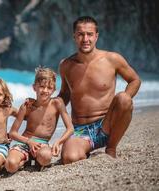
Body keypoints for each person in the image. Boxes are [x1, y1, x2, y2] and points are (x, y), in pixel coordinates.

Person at [58, 16, 141, 164]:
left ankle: (111, 149)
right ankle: (85, 148)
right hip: (81, 130)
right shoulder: (66, 65)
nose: (85, 39)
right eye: (80, 34)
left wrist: (122, 108)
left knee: (124, 98)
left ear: (96, 36)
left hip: (107, 124)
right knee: (69, 158)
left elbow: (135, 80)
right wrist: (46, 106)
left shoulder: (112, 59)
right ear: (74, 36)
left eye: (89, 34)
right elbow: (64, 94)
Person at [5, 67, 74, 173]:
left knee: (45, 157)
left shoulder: (57, 103)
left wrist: (58, 142)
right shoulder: (27, 106)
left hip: (42, 144)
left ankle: (35, 159)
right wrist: (29, 142)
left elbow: (70, 129)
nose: (45, 90)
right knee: (10, 166)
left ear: (54, 90)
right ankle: (25, 160)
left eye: (49, 88)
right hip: (25, 142)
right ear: (34, 87)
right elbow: (13, 133)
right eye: (42, 87)